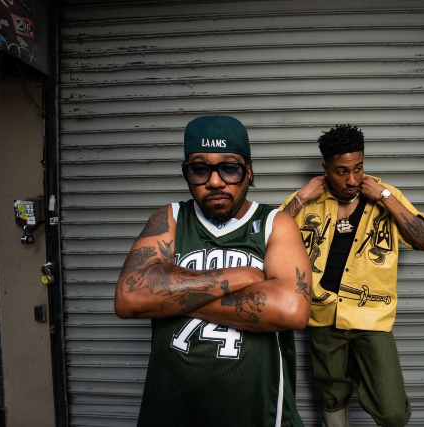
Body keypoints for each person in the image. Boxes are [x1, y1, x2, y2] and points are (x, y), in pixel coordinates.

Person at [115, 115, 312, 427]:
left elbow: (291, 310)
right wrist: (242, 276)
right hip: (172, 410)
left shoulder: (275, 223)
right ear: (186, 173)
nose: (215, 182)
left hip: (257, 411)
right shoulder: (170, 218)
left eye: (229, 168)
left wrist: (169, 296)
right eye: (200, 169)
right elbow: (130, 298)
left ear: (249, 171)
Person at [280, 124, 424, 427]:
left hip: (371, 316)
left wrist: (385, 197)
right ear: (325, 168)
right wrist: (300, 197)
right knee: (332, 400)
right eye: (341, 171)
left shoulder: (385, 195)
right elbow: (268, 242)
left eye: (358, 168)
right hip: (323, 316)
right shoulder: (308, 201)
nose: (352, 180)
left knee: (393, 412)